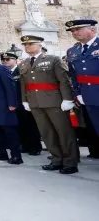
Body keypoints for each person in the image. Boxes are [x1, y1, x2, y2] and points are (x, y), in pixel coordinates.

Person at [19, 35, 78, 174]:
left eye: (31, 44)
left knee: (63, 132)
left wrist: (67, 99)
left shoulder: (53, 59)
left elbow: (63, 80)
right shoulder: (24, 64)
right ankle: (57, 159)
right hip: (35, 103)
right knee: (47, 133)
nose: (28, 47)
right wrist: (25, 100)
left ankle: (70, 162)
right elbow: (23, 84)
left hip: (55, 102)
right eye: (25, 45)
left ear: (40, 45)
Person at [1, 52, 41, 156]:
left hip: (24, 103)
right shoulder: (4, 72)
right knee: (19, 127)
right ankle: (24, 145)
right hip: (12, 105)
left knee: (30, 126)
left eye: (8, 59)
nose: (5, 62)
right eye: (4, 60)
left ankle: (35, 147)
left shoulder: (21, 71)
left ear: (15, 60)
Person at [65, 19, 99, 135]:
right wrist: (78, 93)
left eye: (78, 29)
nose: (74, 32)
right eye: (72, 31)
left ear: (92, 29)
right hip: (88, 96)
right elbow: (73, 75)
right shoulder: (72, 51)